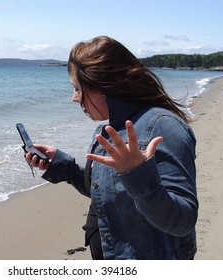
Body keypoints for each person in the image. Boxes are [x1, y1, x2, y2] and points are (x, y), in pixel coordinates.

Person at [25, 36, 198, 260]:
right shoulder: (111, 130)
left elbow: (183, 220)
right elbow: (108, 192)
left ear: (100, 85)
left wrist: (136, 174)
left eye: (77, 89)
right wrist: (61, 166)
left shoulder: (161, 126)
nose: (74, 98)